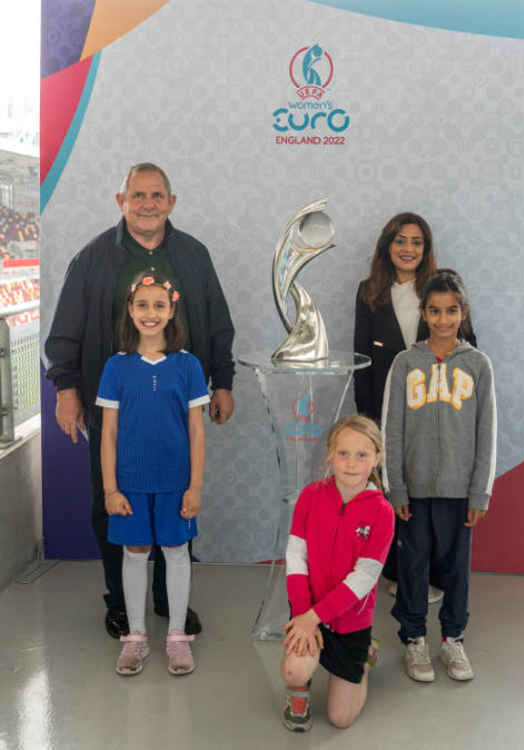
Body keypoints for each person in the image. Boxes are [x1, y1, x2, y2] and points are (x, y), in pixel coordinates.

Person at [45, 163, 235, 639]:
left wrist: (224, 382)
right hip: (111, 409)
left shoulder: (193, 256)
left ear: (172, 202)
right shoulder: (92, 259)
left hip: (177, 408)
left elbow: (217, 323)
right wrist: (67, 389)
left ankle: (172, 602)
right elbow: (66, 327)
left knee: (178, 503)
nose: (147, 203)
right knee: (114, 503)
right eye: (138, 195)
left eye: (156, 195)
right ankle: (120, 602)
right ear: (120, 201)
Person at [353, 213, 476, 603]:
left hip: (437, 409)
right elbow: (361, 357)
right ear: (387, 246)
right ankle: (393, 570)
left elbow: (468, 347)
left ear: (427, 249)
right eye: (400, 240)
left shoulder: (442, 288)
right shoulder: (368, 291)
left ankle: (434, 574)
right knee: (392, 491)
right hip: (386, 409)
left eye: (417, 242)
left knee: (433, 494)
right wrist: (367, 423)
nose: (408, 249)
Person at [382, 271, 496, 683]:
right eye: (434, 310)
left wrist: (479, 492)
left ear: (462, 313)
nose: (443, 319)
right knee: (412, 565)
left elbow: (487, 432)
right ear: (424, 313)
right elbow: (390, 430)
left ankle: (452, 638)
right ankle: (414, 638)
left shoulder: (478, 365)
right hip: (414, 491)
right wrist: (396, 486)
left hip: (459, 491)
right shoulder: (405, 363)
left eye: (451, 311)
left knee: (455, 568)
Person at [97, 270, 208, 675]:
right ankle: (137, 637)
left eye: (159, 305)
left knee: (177, 552)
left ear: (171, 310)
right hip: (130, 482)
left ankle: (177, 635)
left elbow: (196, 431)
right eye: (142, 304)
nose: (150, 313)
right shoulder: (116, 366)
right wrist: (111, 488)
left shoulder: (188, 365)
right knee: (135, 552)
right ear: (130, 309)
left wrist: (194, 486)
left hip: (176, 483)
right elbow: (108, 434)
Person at [280, 415, 394, 732]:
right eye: (343, 453)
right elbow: (296, 557)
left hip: (349, 620)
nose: (351, 463)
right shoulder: (310, 496)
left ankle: (365, 655)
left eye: (362, 455)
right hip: (307, 610)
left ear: (377, 458)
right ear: (330, 453)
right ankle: (297, 694)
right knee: (294, 671)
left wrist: (314, 616)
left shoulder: (382, 512)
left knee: (340, 719)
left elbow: (363, 578)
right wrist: (303, 614)